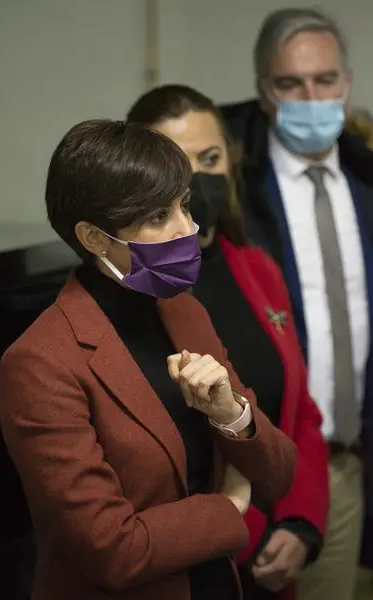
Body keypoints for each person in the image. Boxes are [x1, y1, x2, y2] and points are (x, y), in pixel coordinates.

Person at [0, 119, 296, 600]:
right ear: (95, 238)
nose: (188, 229)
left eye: (184, 205)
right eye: (159, 217)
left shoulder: (185, 311)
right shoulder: (40, 362)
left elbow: (279, 471)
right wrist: (229, 505)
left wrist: (232, 415)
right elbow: (113, 551)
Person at [127, 84, 329, 600]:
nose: (196, 179)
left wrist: (300, 522)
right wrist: (250, 534)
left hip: (281, 553)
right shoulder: (140, 293)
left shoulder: (256, 268)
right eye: (176, 162)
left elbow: (299, 410)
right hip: (199, 564)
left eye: (210, 158)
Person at [218, 8, 373, 600]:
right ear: (264, 93)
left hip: (348, 465)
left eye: (325, 80)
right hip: (262, 466)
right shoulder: (235, 196)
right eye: (291, 84)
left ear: (347, 84)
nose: (312, 99)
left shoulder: (366, 185)